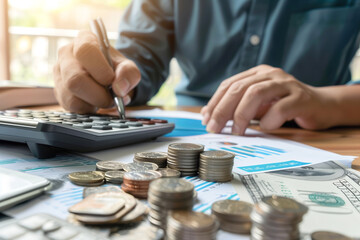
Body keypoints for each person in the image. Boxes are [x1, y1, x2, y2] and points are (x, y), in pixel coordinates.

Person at [54, 0, 360, 135]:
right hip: (191, 130)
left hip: (320, 135)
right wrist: (106, 74)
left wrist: (329, 102)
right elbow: (138, 62)